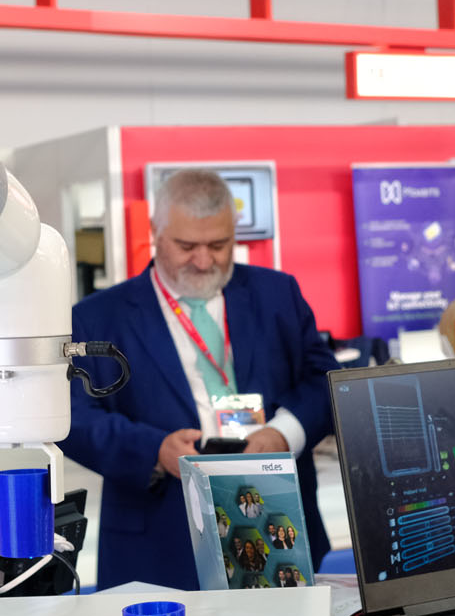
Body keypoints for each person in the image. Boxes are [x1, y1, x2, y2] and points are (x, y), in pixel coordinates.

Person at [62, 168, 337, 590]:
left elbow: (325, 380)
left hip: (279, 525)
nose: (205, 261)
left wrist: (284, 433)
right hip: (159, 535)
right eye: (187, 246)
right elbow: (72, 417)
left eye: (219, 245)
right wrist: (154, 450)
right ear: (155, 232)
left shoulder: (278, 294)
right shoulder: (99, 317)